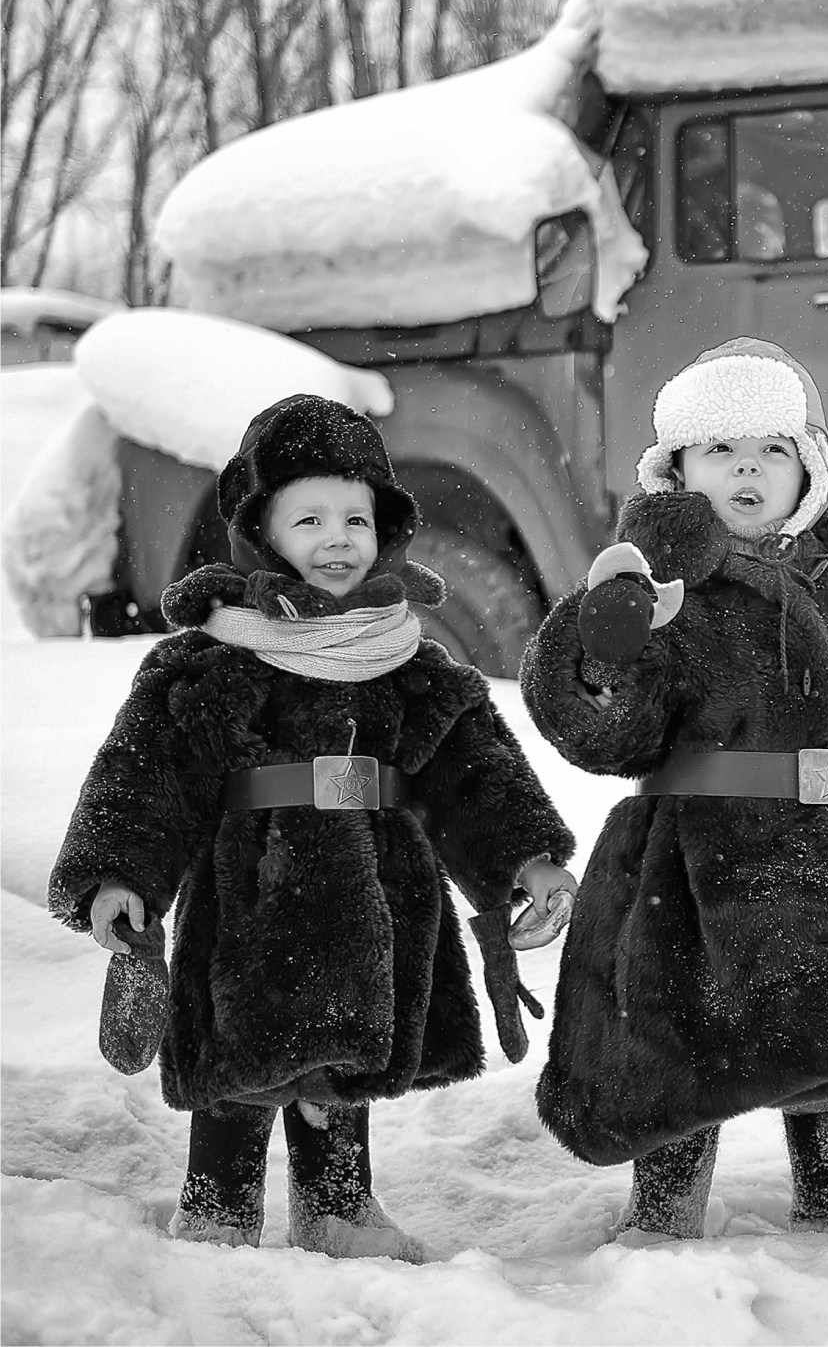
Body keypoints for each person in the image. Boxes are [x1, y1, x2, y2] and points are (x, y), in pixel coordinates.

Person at [519, 337, 828, 1241]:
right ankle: (662, 1214)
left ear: (810, 472)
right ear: (676, 473)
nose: (748, 468)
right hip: (688, 864)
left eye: (772, 450)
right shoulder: (656, 590)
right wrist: (604, 648)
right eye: (720, 449)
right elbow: (605, 729)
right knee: (679, 1048)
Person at [50, 393, 576, 1260]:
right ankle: (217, 1205)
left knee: (345, 1050)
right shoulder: (214, 660)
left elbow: (474, 774)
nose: (339, 538)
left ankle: (338, 1206)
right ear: (261, 532)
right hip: (251, 892)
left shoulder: (406, 659)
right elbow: (147, 774)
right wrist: (119, 874)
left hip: (374, 888)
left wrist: (529, 859)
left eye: (356, 518)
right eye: (310, 519)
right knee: (241, 1060)